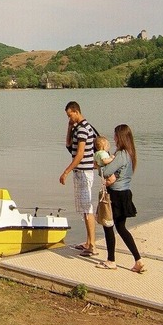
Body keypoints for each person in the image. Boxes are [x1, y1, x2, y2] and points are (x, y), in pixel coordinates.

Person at [96, 124, 145, 273]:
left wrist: (100, 165)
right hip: (125, 193)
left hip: (115, 195)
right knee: (122, 228)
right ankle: (138, 260)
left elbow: (106, 172)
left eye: (115, 135)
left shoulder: (121, 154)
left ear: (120, 137)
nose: (114, 138)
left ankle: (111, 260)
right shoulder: (130, 153)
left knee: (108, 225)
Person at [59, 101, 99, 257]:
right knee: (84, 208)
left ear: (76, 111)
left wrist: (66, 172)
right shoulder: (77, 128)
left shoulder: (83, 129)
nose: (69, 118)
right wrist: (69, 127)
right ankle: (88, 242)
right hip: (80, 172)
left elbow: (80, 154)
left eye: (70, 115)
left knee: (87, 208)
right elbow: (68, 144)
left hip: (84, 172)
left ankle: (93, 245)